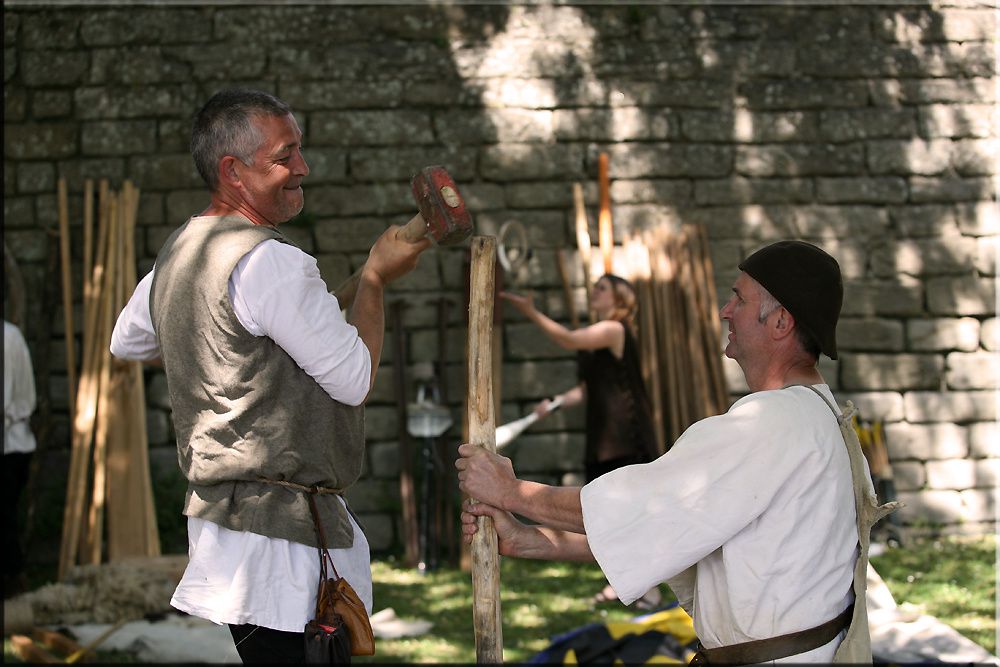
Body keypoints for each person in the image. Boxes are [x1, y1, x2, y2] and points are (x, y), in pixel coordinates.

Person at [111, 88, 429, 663]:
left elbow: (128, 340)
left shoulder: (180, 252)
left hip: (226, 527)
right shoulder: (273, 262)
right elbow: (355, 378)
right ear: (233, 170)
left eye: (299, 151)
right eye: (285, 156)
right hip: (282, 539)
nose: (302, 168)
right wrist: (376, 282)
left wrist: (221, 354)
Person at [457, 240, 889, 663]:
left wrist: (511, 492)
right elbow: (676, 529)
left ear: (780, 322)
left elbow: (644, 507)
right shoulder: (818, 413)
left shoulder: (771, 423)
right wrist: (531, 540)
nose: (725, 311)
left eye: (738, 298)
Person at [500, 274, 661, 607]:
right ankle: (636, 587)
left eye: (602, 288)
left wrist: (532, 312)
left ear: (620, 299)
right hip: (605, 436)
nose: (594, 292)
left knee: (624, 513)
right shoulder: (600, 338)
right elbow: (589, 388)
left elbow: (569, 339)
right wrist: (555, 403)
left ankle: (644, 588)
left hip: (626, 436)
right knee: (611, 512)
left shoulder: (614, 329)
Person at [4, 319, 37, 598]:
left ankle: (16, 587)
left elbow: (13, 400)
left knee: (5, 521)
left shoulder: (8, 336)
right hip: (12, 444)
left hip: (10, 446)